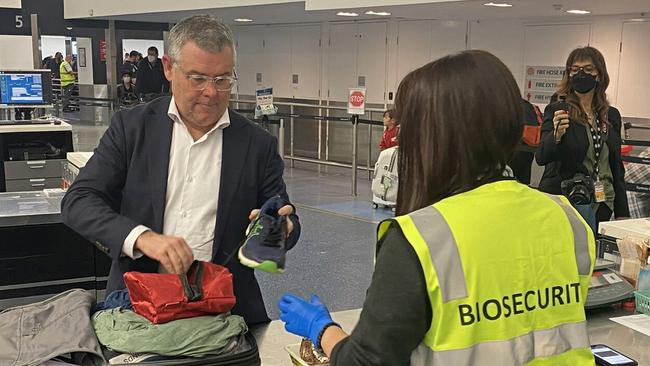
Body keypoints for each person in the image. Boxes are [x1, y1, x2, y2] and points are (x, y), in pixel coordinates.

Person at [278, 50, 596, 365]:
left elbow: (368, 361)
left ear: (433, 135)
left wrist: (322, 330)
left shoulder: (422, 238)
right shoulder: (566, 217)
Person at [61, 15, 301, 325]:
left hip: (227, 314)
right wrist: (142, 237)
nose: (211, 92)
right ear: (169, 68)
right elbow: (78, 200)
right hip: (139, 310)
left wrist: (282, 228)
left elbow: (285, 217)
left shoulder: (258, 144)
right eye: (198, 78)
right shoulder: (132, 128)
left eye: (222, 79)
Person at [536, 46, 629, 230]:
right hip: (568, 200)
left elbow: (615, 165)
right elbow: (541, 157)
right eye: (575, 69)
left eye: (588, 69)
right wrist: (556, 136)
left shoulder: (611, 116)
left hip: (603, 202)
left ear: (599, 75)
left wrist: (622, 212)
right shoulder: (558, 110)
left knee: (597, 255)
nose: (581, 74)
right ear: (568, 74)